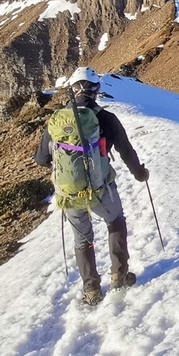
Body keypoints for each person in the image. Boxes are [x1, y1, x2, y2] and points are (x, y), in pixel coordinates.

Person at [34, 66, 149, 305]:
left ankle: (92, 291)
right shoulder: (106, 118)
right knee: (115, 222)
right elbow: (126, 152)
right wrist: (140, 174)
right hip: (100, 189)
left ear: (73, 91)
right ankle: (119, 274)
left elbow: (41, 159)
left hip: (69, 193)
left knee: (82, 240)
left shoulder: (57, 121)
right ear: (95, 90)